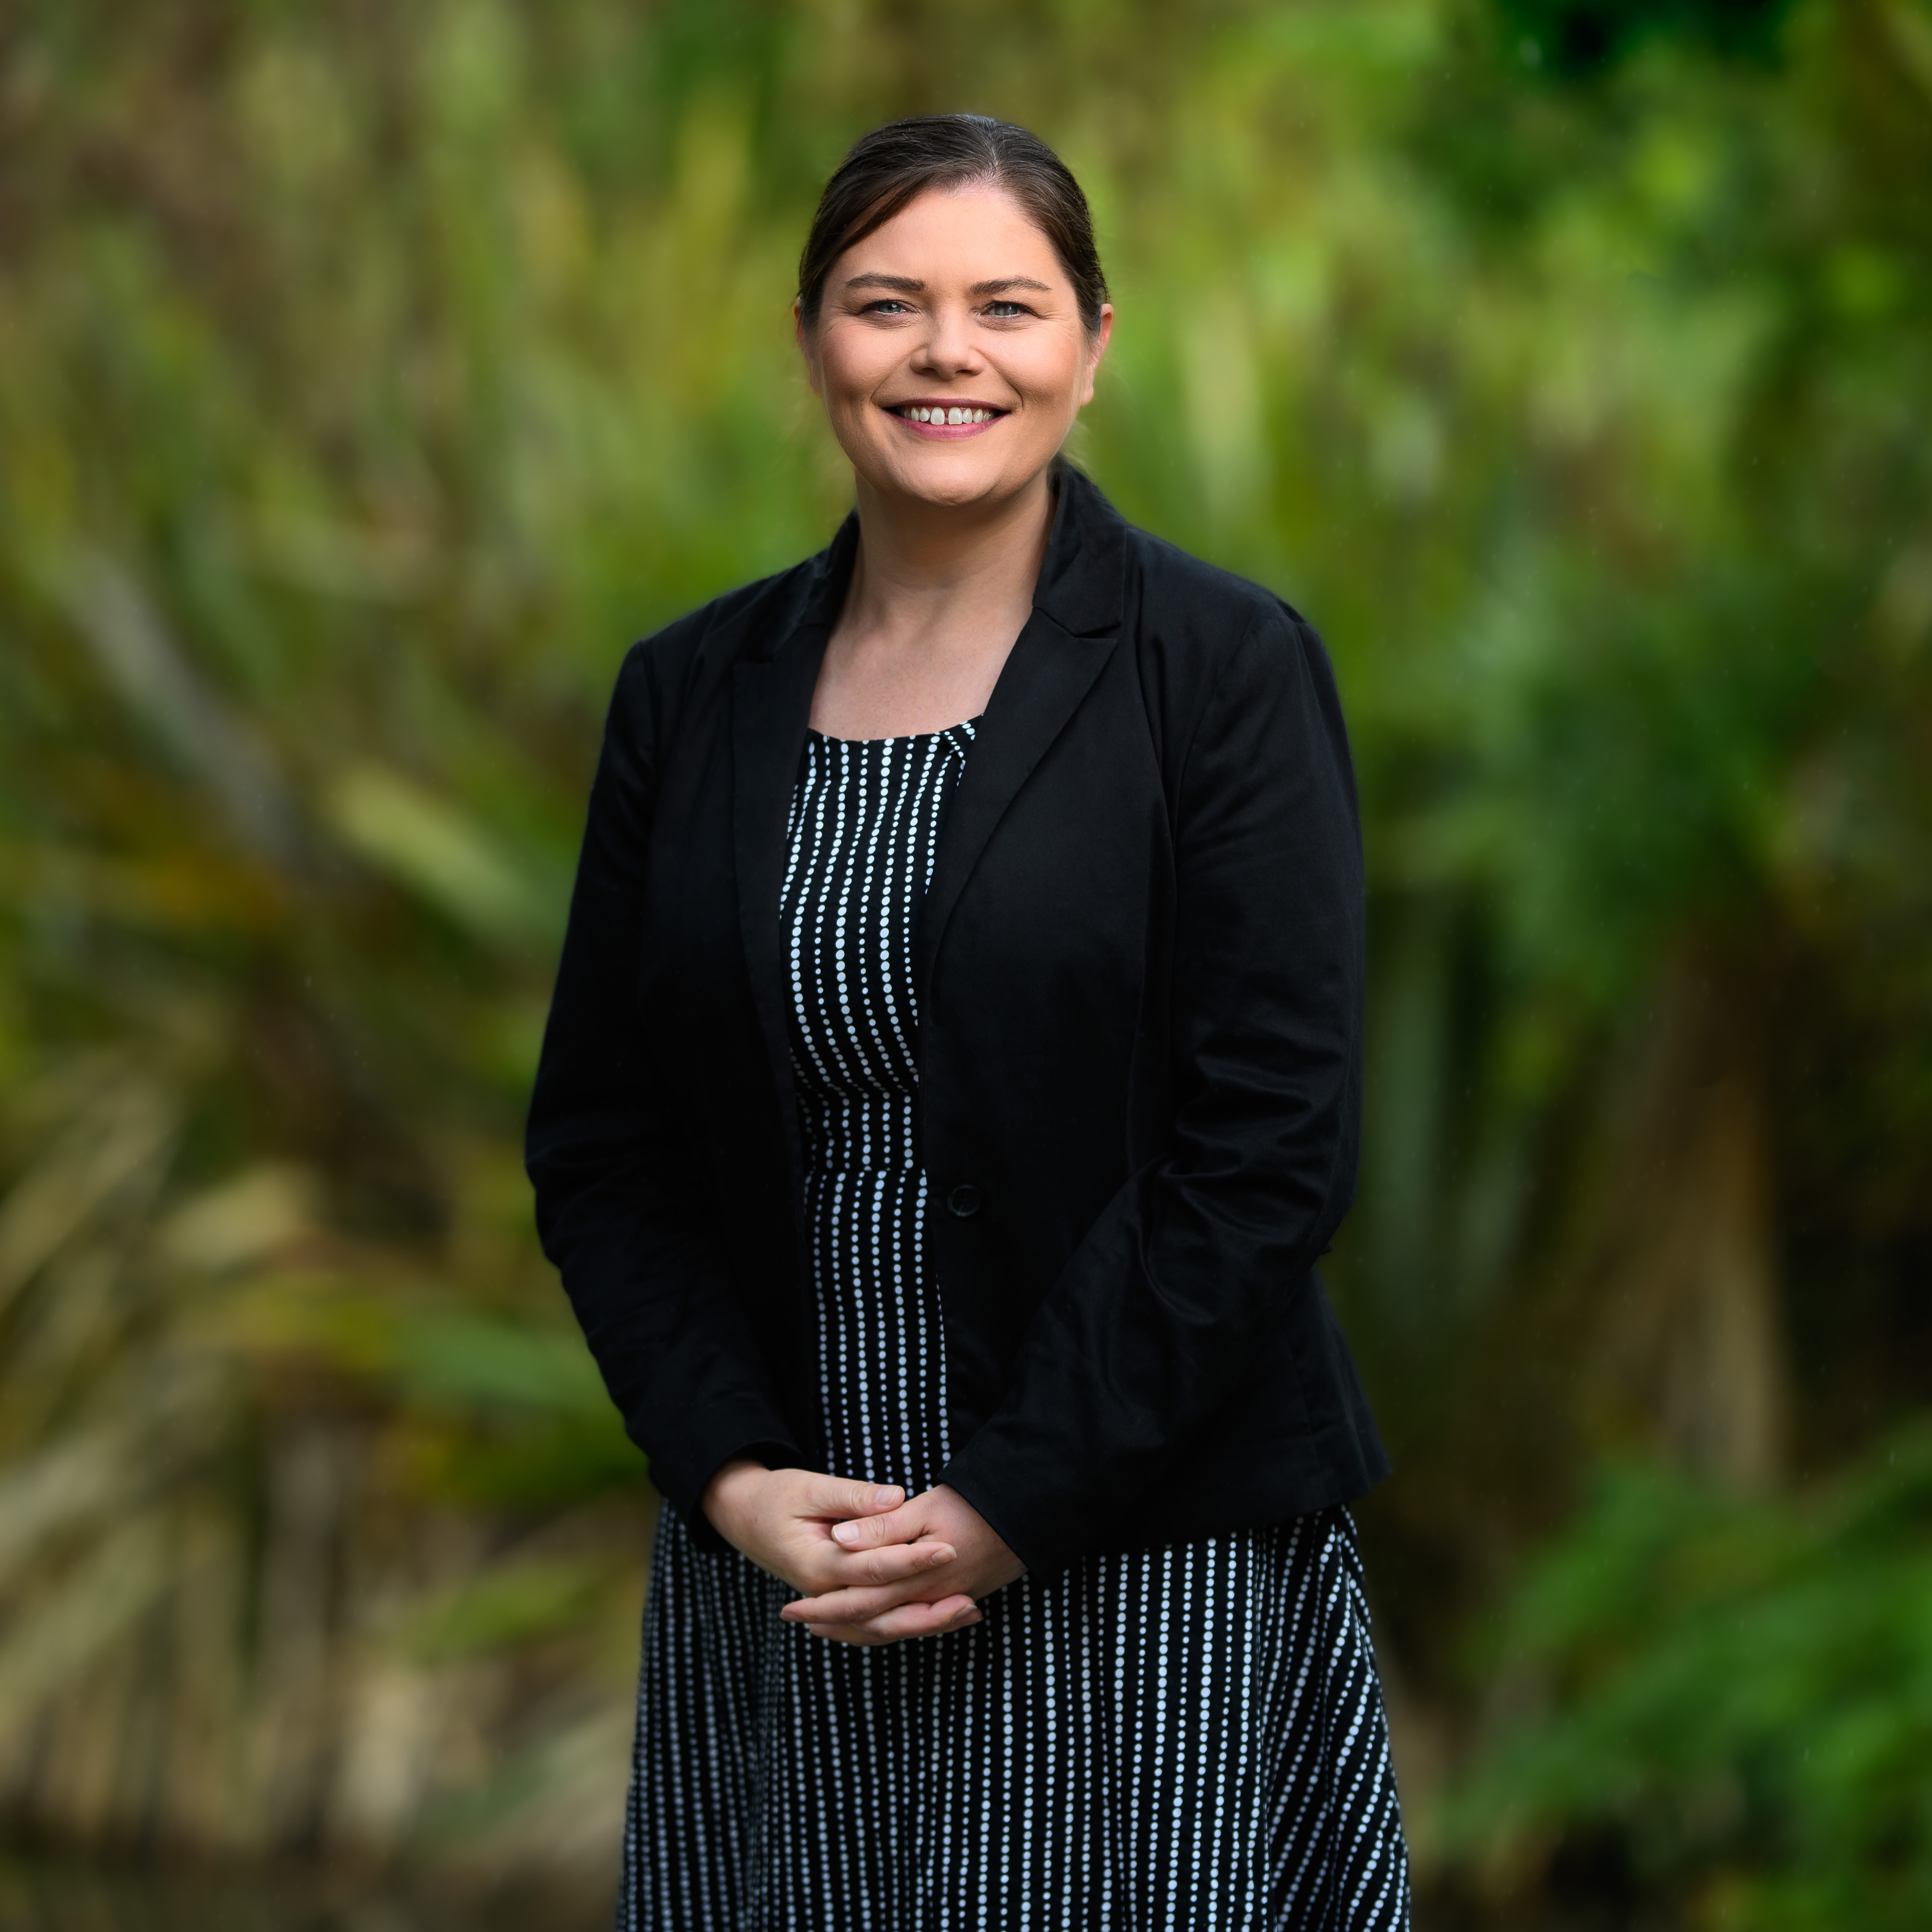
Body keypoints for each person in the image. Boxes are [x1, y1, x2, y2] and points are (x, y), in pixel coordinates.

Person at [527, 111, 1410, 1931]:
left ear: (1093, 348)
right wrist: (728, 1475)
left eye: (1006, 305)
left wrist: (1014, 1495)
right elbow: (603, 1147)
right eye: (886, 304)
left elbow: (1269, 1150)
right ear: (810, 345)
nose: (947, 352)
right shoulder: (688, 693)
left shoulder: (1220, 671)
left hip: (1134, 1532)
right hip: (794, 1550)